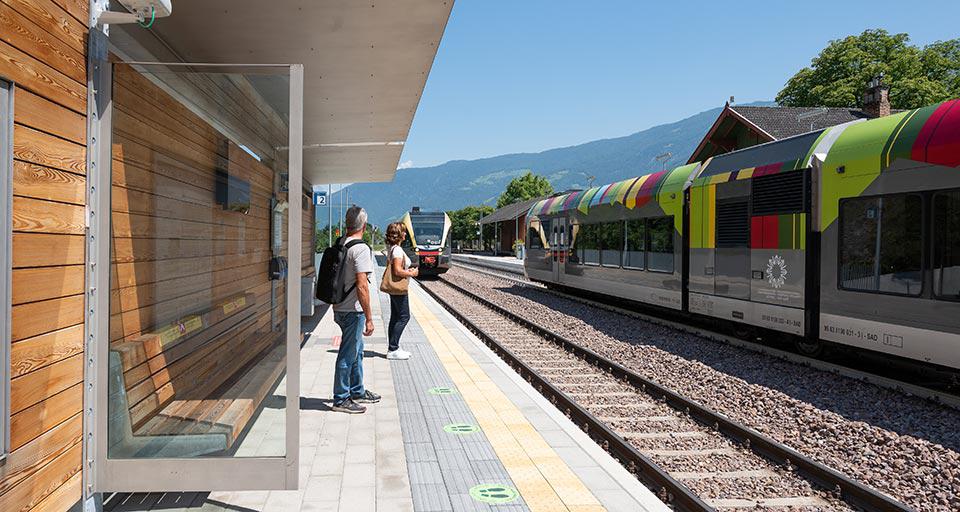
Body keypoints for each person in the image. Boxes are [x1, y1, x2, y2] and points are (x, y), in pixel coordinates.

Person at [332, 206, 381, 414]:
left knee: (357, 352)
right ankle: (341, 398)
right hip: (353, 310)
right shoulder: (361, 249)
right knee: (347, 354)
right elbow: (362, 286)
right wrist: (369, 318)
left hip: (340, 307)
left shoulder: (341, 243)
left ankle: (357, 390)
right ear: (364, 225)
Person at [384, 222, 419, 360]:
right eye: (404, 232)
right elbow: (397, 270)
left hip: (395, 289)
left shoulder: (393, 248)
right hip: (399, 288)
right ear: (399, 234)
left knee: (395, 317)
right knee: (404, 317)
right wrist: (411, 273)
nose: (405, 234)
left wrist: (406, 271)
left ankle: (394, 347)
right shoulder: (397, 250)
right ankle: (393, 349)